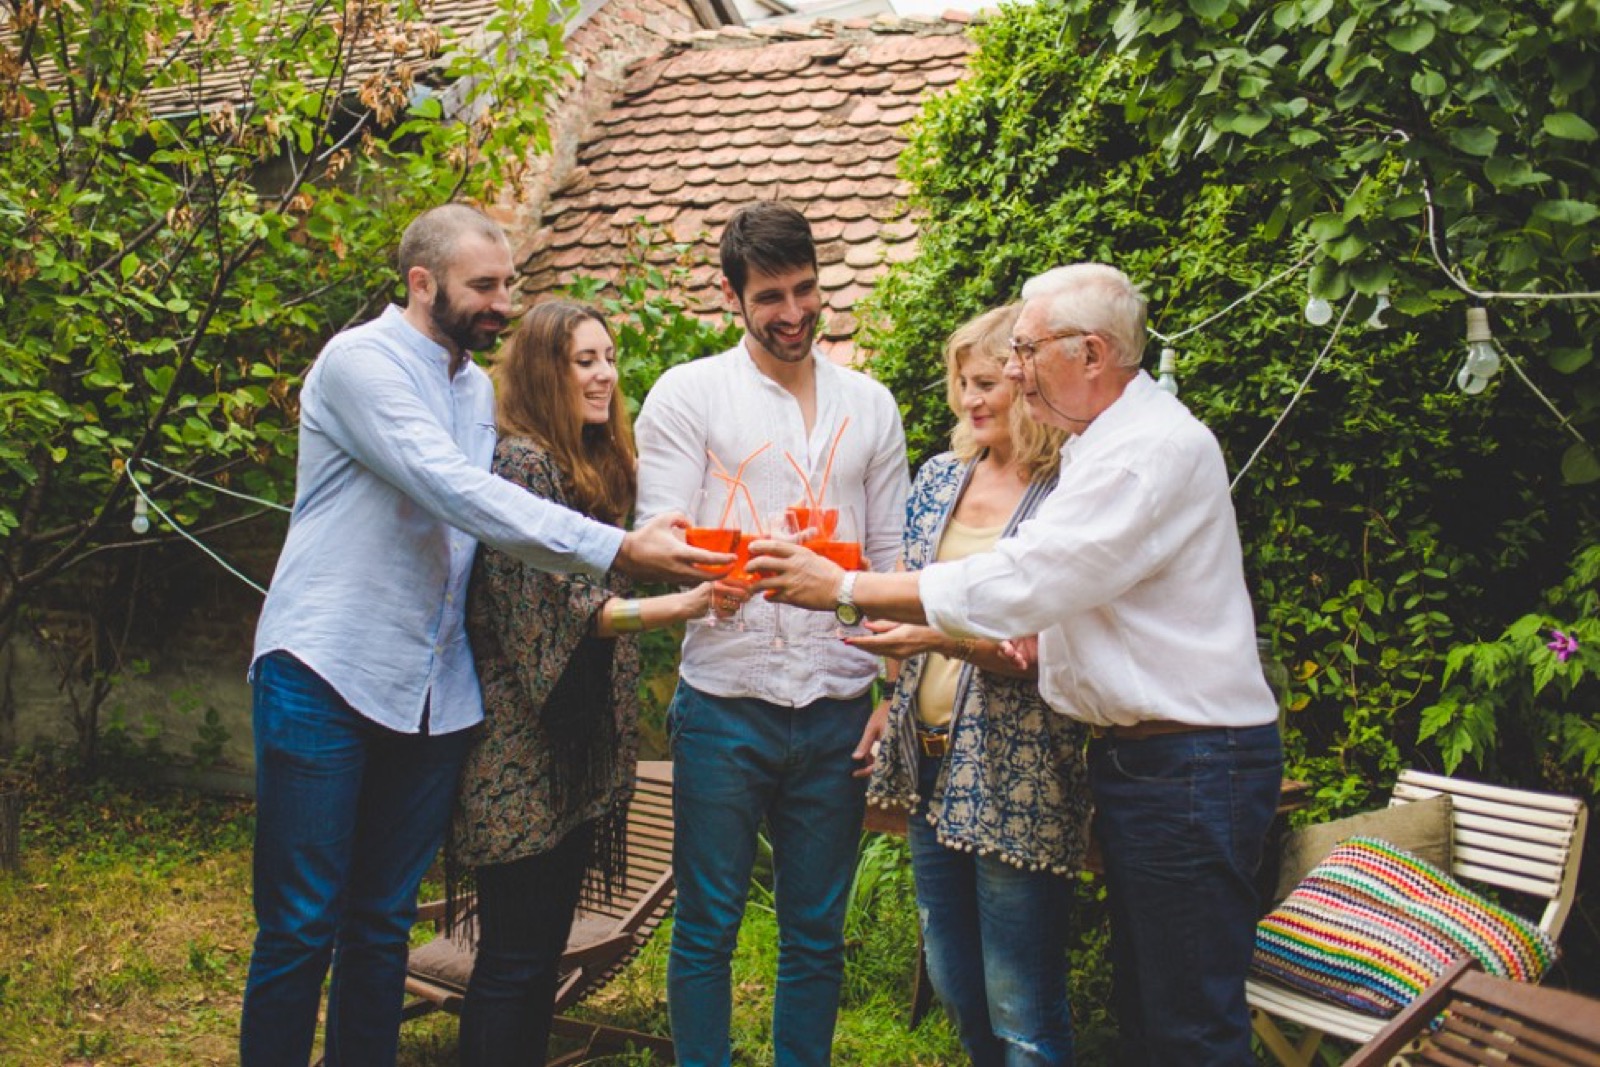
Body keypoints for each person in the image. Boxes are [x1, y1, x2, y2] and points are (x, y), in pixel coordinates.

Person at [750, 263, 1284, 1067]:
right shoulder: (1102, 446)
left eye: (1027, 350)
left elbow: (1021, 580)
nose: (1015, 368)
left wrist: (847, 587)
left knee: (1190, 1026)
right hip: (1150, 761)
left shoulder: (1143, 454)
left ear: (1091, 354)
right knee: (1151, 1014)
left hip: (1190, 764)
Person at [242, 203, 730, 1067]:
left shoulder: (472, 390)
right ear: (421, 282)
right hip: (326, 670)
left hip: (434, 694)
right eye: (483, 286)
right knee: (302, 922)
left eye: (509, 283)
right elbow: (454, 491)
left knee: (381, 920)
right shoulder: (361, 363)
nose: (503, 302)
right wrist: (617, 549)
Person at [633, 200, 910, 1067]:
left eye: (804, 290)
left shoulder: (871, 406)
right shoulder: (688, 394)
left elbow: (893, 562)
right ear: (732, 296)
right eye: (770, 297)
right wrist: (705, 575)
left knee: (816, 930)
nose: (793, 313)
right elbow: (657, 536)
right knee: (707, 922)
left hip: (838, 702)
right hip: (725, 701)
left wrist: (893, 693)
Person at [446, 300, 713, 1066]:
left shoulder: (591, 464)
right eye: (584, 361)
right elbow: (557, 610)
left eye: (609, 358)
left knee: (537, 956)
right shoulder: (520, 465)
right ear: (543, 371)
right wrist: (681, 605)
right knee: (514, 958)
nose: (604, 376)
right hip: (518, 755)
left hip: (569, 749)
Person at [850, 304, 1088, 1066]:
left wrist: (935, 636)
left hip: (1017, 765)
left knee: (1021, 997)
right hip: (929, 756)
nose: (970, 398)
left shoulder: (1065, 491)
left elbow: (1037, 651)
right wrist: (891, 696)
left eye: (987, 381)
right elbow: (905, 593)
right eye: (962, 383)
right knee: (954, 975)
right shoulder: (938, 479)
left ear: (1026, 380)